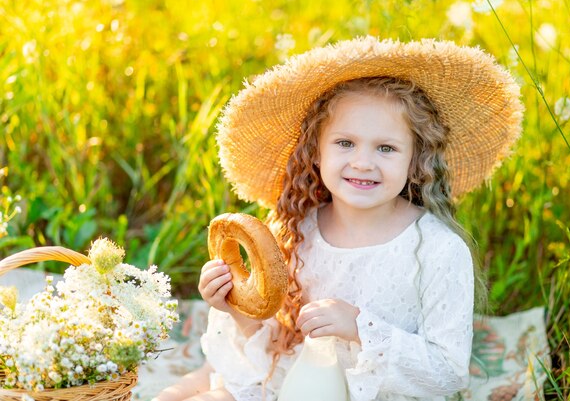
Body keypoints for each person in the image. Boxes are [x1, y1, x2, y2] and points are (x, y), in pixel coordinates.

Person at [153, 36, 524, 401]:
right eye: (345, 143)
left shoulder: (437, 250)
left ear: (416, 160)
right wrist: (233, 306)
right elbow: (274, 339)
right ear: (316, 151)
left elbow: (449, 372)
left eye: (386, 148)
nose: (363, 162)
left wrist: (360, 329)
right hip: (293, 381)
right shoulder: (296, 229)